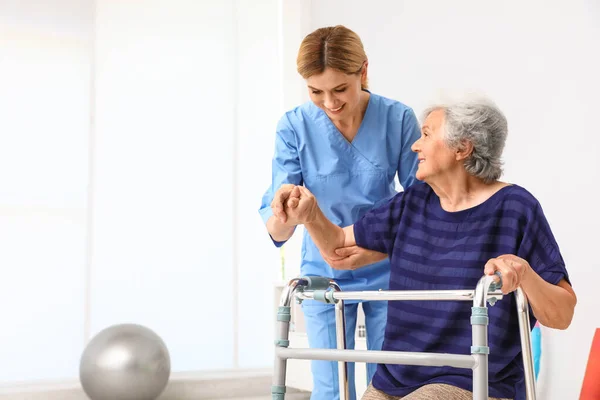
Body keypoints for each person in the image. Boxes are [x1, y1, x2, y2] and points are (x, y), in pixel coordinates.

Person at [277, 98, 577, 400]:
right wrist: (311, 214)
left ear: (462, 148)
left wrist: (524, 274)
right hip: (396, 377)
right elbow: (338, 249)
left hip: (471, 379)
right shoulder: (414, 201)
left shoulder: (515, 208)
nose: (414, 146)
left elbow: (562, 314)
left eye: (427, 134)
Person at [259, 25, 421, 400]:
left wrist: (377, 252)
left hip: (387, 267)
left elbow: (423, 206)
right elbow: (278, 231)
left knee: (389, 386)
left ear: (363, 72)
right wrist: (286, 209)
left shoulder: (398, 119)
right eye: (316, 92)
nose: (330, 102)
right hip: (324, 271)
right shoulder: (294, 126)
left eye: (340, 89)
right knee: (333, 389)